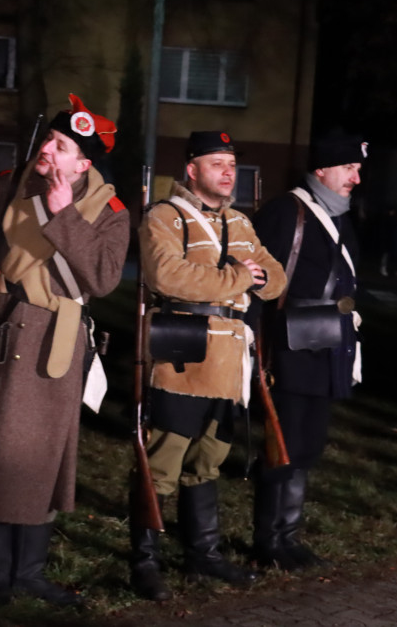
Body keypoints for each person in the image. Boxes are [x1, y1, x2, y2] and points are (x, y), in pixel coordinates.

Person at [0, 94, 130, 606]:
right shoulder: (7, 186)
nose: (47, 149)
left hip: (53, 342)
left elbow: (103, 279)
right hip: (0, 330)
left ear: (82, 164)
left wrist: (65, 218)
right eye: (49, 139)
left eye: (60, 146)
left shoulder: (109, 212)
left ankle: (31, 573)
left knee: (39, 460)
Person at [130, 131, 286, 601]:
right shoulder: (165, 216)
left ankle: (203, 554)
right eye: (216, 163)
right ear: (192, 169)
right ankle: (144, 562)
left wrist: (248, 277)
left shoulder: (240, 221)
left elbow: (275, 280)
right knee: (161, 464)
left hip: (230, 362)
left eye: (231, 163)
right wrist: (239, 276)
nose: (227, 171)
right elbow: (167, 275)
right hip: (181, 355)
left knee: (209, 461)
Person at [251, 131, 364, 570]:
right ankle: (268, 540)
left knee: (309, 444)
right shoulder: (286, 211)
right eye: (349, 168)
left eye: (357, 169)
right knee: (283, 444)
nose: (356, 177)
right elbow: (261, 283)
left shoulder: (342, 217)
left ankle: (288, 535)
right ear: (322, 170)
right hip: (290, 346)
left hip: (329, 344)